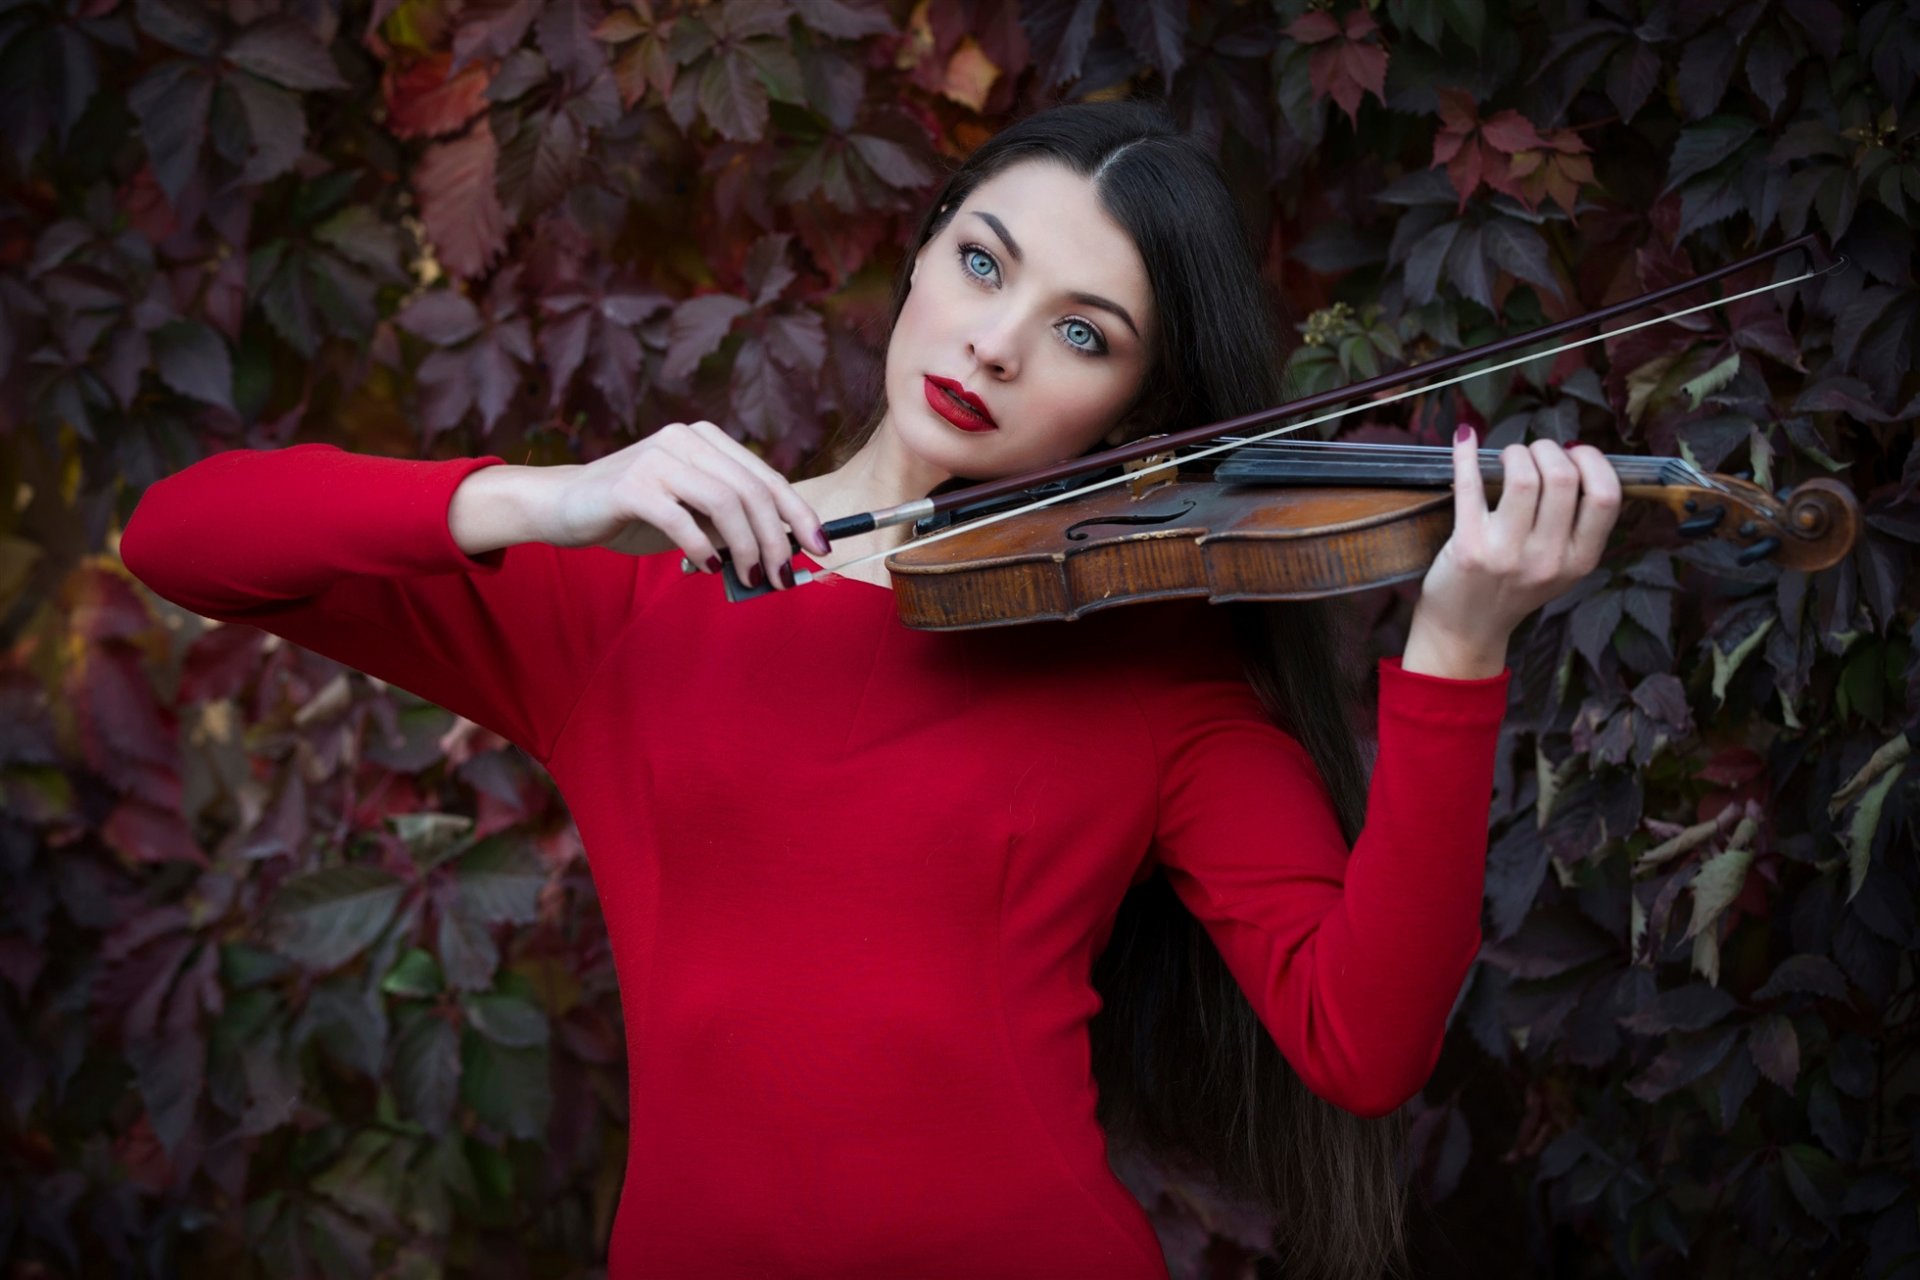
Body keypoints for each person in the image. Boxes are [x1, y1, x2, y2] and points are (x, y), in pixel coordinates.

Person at [120, 99, 1621, 1280]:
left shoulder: (1150, 667)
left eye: (1081, 334)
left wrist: (1461, 646)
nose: (995, 340)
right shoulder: (636, 591)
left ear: (1141, 407)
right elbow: (184, 537)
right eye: (984, 262)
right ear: (920, 254)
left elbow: (1360, 1044)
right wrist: (554, 498)